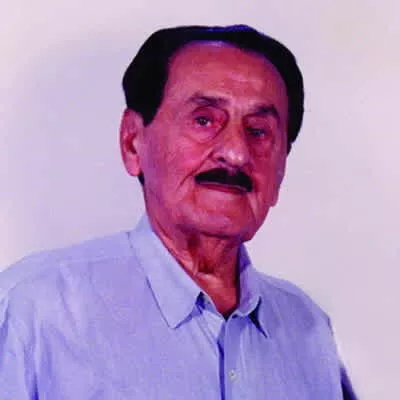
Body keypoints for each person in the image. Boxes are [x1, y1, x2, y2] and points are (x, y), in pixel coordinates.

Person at [0, 25, 357, 399]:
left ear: (281, 167)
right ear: (132, 142)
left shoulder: (308, 330)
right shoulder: (35, 310)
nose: (236, 154)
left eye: (258, 131)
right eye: (204, 120)